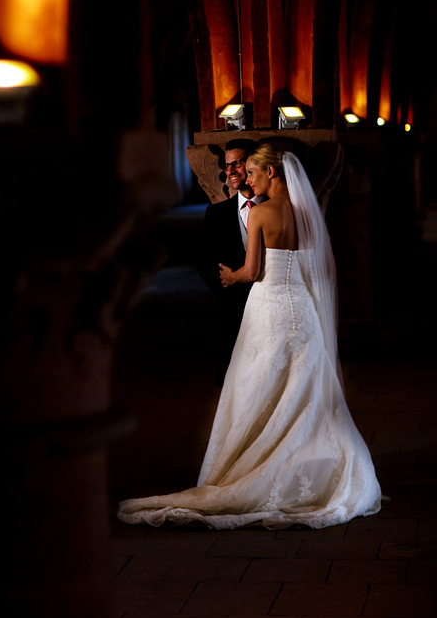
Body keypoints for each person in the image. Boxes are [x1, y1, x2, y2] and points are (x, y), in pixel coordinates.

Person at [118, 143, 382, 529]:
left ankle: (254, 468)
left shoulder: (261, 213)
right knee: (307, 391)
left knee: (258, 387)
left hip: (270, 310)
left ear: (271, 173)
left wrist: (231, 276)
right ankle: (323, 471)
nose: (246, 178)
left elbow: (253, 270)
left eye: (254, 172)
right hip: (303, 309)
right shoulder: (309, 213)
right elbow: (326, 268)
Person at [197, 139, 266, 385]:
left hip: (271, 308)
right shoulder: (216, 214)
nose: (231, 172)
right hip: (232, 312)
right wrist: (228, 289)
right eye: (227, 166)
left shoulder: (275, 208)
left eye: (237, 163)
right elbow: (203, 261)